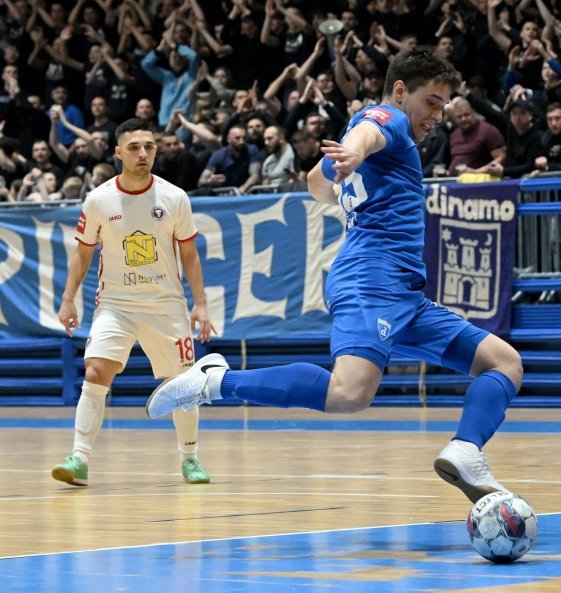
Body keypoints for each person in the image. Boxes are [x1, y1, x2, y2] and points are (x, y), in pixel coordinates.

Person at [144, 48, 524, 505]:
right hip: (372, 280)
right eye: (433, 101)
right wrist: (357, 150)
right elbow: (372, 130)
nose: (438, 115)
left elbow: (313, 183)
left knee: (504, 362)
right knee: (349, 393)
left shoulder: (370, 136)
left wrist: (346, 164)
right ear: (402, 91)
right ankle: (214, 381)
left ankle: (465, 450)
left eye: (445, 104)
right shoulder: (389, 118)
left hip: (403, 292)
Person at [51, 118, 215, 487]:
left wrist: (200, 304)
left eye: (150, 147)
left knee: (183, 384)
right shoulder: (98, 199)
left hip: (166, 305)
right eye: (135, 147)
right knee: (95, 371)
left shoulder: (175, 197)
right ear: (118, 152)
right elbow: (82, 255)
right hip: (116, 304)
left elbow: (189, 254)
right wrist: (68, 300)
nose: (143, 153)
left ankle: (190, 458)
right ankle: (78, 459)